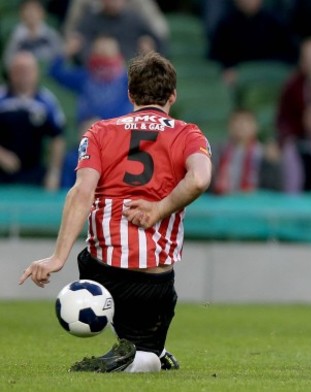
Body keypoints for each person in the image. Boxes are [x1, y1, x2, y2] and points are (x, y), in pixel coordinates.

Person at [18, 51, 213, 373]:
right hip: (156, 278)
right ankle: (147, 352)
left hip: (104, 271)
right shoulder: (188, 134)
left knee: (87, 257)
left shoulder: (99, 132)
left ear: (130, 94)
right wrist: (159, 208)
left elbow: (82, 192)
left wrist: (56, 257)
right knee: (150, 355)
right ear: (173, 96)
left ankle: (138, 351)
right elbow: (201, 178)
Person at [0, 51, 66, 190]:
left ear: (36, 72)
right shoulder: (1, 98)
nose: (24, 75)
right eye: (19, 70)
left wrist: (54, 173)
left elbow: (58, 138)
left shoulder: (47, 101)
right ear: (10, 72)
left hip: (34, 175)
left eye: (28, 70)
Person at [2, 0, 63, 67]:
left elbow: (59, 56)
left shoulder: (50, 34)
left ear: (42, 13)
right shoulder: (16, 36)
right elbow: (8, 60)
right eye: (27, 10)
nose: (31, 14)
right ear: (21, 14)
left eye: (34, 10)